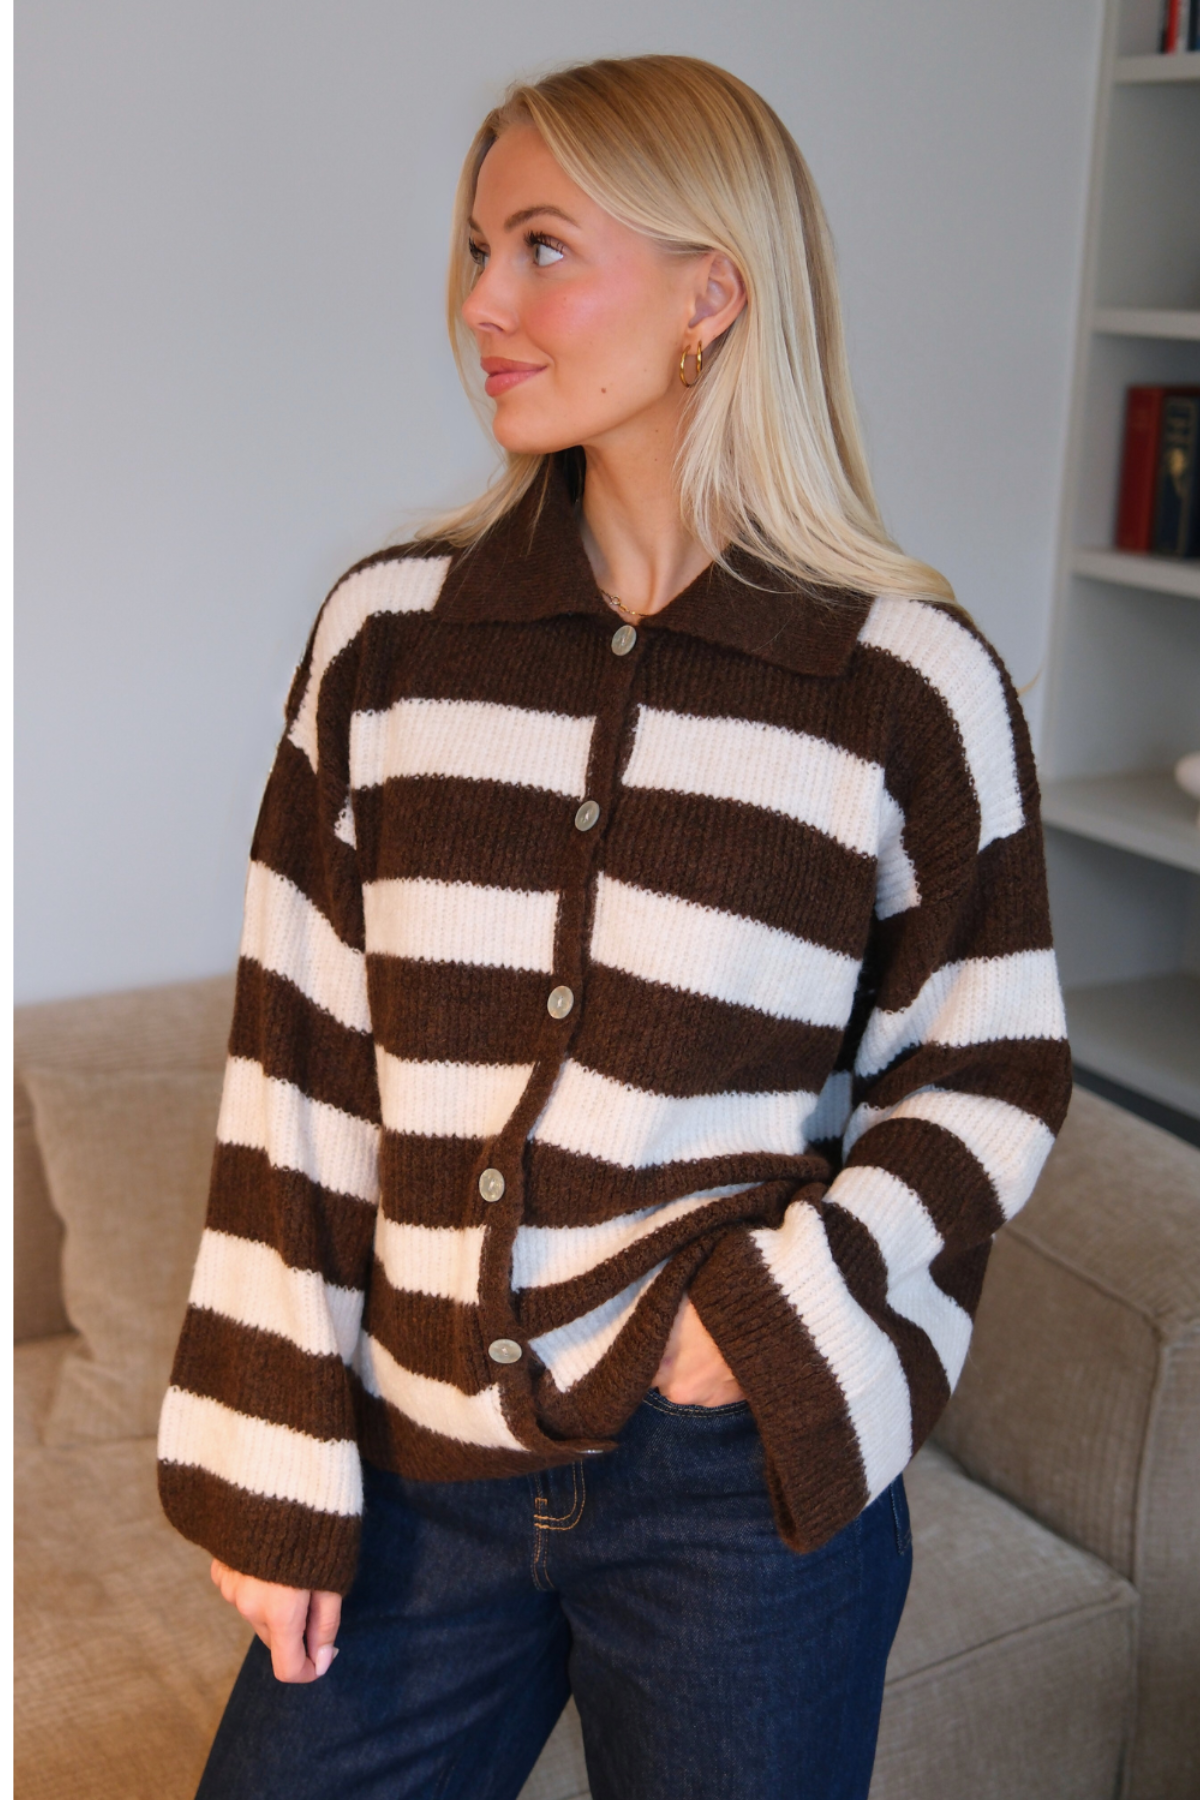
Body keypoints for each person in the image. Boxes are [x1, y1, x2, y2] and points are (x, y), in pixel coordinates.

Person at [157, 53, 1072, 1800]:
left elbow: (989, 1070)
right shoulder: (390, 644)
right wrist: (275, 1463)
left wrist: (768, 1316)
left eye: (542, 248)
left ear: (711, 294)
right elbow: (295, 1072)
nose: (480, 305)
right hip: (421, 1469)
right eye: (477, 250)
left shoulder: (901, 682)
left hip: (734, 1485)